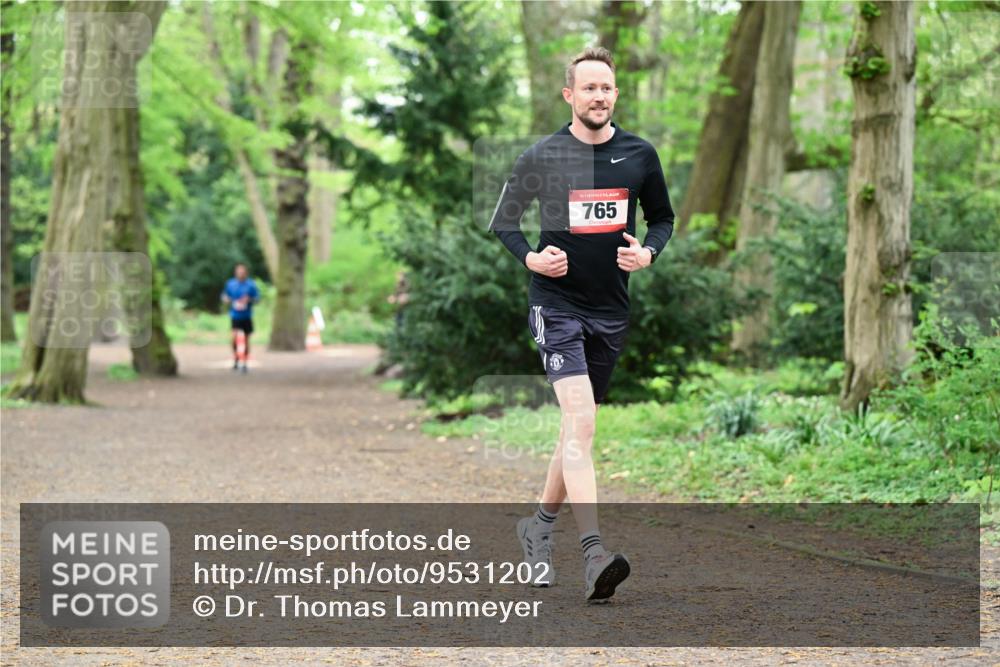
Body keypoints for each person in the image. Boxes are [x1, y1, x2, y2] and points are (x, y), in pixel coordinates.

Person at [489, 47, 675, 602]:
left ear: (616, 95)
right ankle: (593, 552)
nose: (599, 96)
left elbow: (662, 218)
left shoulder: (639, 154)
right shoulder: (542, 155)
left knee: (576, 429)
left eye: (607, 88)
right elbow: (504, 221)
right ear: (569, 95)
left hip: (610, 309)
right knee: (582, 419)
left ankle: (538, 527)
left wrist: (648, 253)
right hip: (556, 305)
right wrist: (530, 258)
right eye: (588, 88)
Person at [220, 263, 260, 374]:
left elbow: (257, 298)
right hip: (235, 315)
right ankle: (236, 358)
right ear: (236, 273)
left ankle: (245, 362)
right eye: (239, 271)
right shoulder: (231, 284)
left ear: (246, 273)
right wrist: (226, 299)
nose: (241, 273)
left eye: (242, 271)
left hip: (247, 316)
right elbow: (224, 296)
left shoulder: (251, 285)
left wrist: (249, 299)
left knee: (246, 340)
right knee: (233, 338)